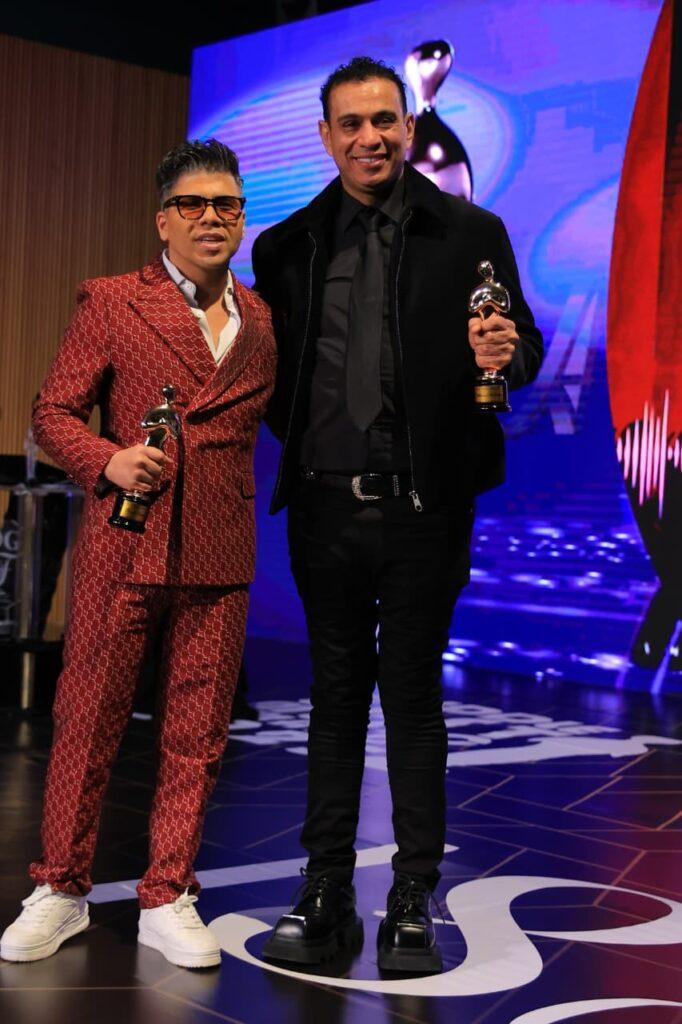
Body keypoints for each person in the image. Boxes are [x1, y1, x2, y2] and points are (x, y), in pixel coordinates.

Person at [252, 57, 543, 973]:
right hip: (323, 511)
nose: (370, 137)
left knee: (412, 699)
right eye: (352, 123)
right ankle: (326, 890)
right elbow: (277, 381)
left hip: (426, 510)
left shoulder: (473, 233)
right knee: (334, 700)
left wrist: (506, 352)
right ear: (326, 136)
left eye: (385, 120)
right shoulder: (286, 246)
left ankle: (413, 896)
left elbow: (522, 349)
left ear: (408, 128)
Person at [0, 139, 276, 968]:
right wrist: (107, 459)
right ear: (163, 220)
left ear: (241, 217)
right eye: (193, 204)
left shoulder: (263, 318)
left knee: (198, 734)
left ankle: (168, 892)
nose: (210, 218)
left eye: (226, 204)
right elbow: (53, 413)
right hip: (125, 539)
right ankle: (60, 887)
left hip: (220, 549)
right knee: (87, 723)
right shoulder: (115, 299)